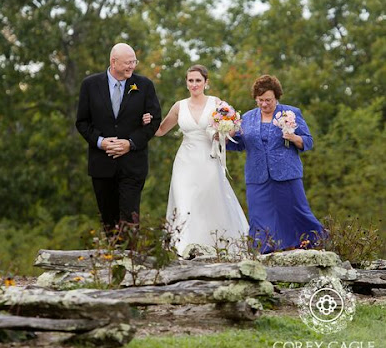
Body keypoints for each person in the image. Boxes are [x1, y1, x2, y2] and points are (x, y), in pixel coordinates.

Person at [145, 64, 248, 255]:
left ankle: (217, 247)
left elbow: (234, 129)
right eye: (190, 80)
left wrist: (223, 132)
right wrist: (146, 121)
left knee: (209, 203)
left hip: (208, 160)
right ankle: (183, 250)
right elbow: (160, 131)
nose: (194, 84)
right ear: (186, 83)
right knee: (185, 204)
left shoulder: (217, 104)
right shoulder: (179, 106)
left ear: (206, 83)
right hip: (185, 162)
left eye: (198, 80)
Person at [227, 74, 324, 253]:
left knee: (297, 214)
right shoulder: (247, 118)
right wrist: (226, 135)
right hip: (257, 176)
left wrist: (294, 137)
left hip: (287, 174)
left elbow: (308, 142)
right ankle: (264, 254)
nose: (264, 104)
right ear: (255, 98)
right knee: (259, 217)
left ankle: (309, 247)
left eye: (268, 100)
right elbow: (239, 145)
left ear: (277, 97)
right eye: (260, 100)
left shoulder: (291, 113)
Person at [75, 43, 161, 232]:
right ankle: (113, 259)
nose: (132, 66)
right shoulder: (90, 85)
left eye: (134, 62)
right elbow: (82, 122)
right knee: (109, 223)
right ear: (113, 62)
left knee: (130, 220)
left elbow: (154, 121)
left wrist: (130, 143)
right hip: (102, 165)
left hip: (132, 165)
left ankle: (130, 258)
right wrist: (101, 142)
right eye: (127, 63)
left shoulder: (145, 86)